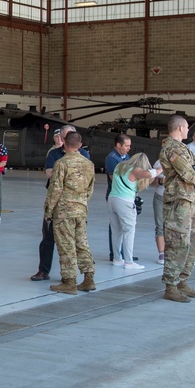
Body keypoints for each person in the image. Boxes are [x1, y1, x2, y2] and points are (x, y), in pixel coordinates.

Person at [158, 116, 195, 303]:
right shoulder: (171, 148)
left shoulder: (183, 148)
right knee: (177, 243)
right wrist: (194, 169)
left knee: (191, 242)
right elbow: (189, 174)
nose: (189, 130)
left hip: (189, 200)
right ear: (180, 128)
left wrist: (194, 169)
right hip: (178, 201)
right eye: (187, 127)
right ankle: (171, 285)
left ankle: (182, 281)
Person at [31, 124, 90, 281]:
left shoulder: (79, 157)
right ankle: (44, 270)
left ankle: (71, 279)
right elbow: (49, 174)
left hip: (71, 207)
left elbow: (57, 187)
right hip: (66, 206)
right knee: (48, 240)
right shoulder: (54, 154)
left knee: (72, 244)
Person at [44, 131, 96, 295]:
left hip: (64, 211)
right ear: (80, 145)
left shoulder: (61, 163)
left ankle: (69, 281)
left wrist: (48, 211)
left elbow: (55, 190)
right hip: (81, 209)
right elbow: (90, 189)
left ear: (65, 143)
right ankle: (89, 278)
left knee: (66, 245)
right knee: (82, 243)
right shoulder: (89, 164)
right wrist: (82, 203)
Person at [108, 153, 161, 270]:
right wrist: (160, 169)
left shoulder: (120, 166)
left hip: (112, 199)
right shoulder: (135, 170)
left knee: (116, 231)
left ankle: (117, 258)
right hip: (125, 202)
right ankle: (128, 261)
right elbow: (149, 174)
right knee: (129, 231)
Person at [105, 134, 131, 260]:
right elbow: (114, 178)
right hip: (116, 194)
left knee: (124, 226)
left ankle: (124, 252)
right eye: (126, 146)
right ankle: (115, 253)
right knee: (116, 226)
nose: (128, 148)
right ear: (118, 145)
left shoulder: (126, 156)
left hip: (126, 194)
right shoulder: (112, 158)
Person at [151, 159, 166, 264]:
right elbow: (152, 181)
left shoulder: (183, 159)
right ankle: (162, 253)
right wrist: (161, 181)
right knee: (160, 226)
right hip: (161, 197)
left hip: (177, 198)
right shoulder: (159, 163)